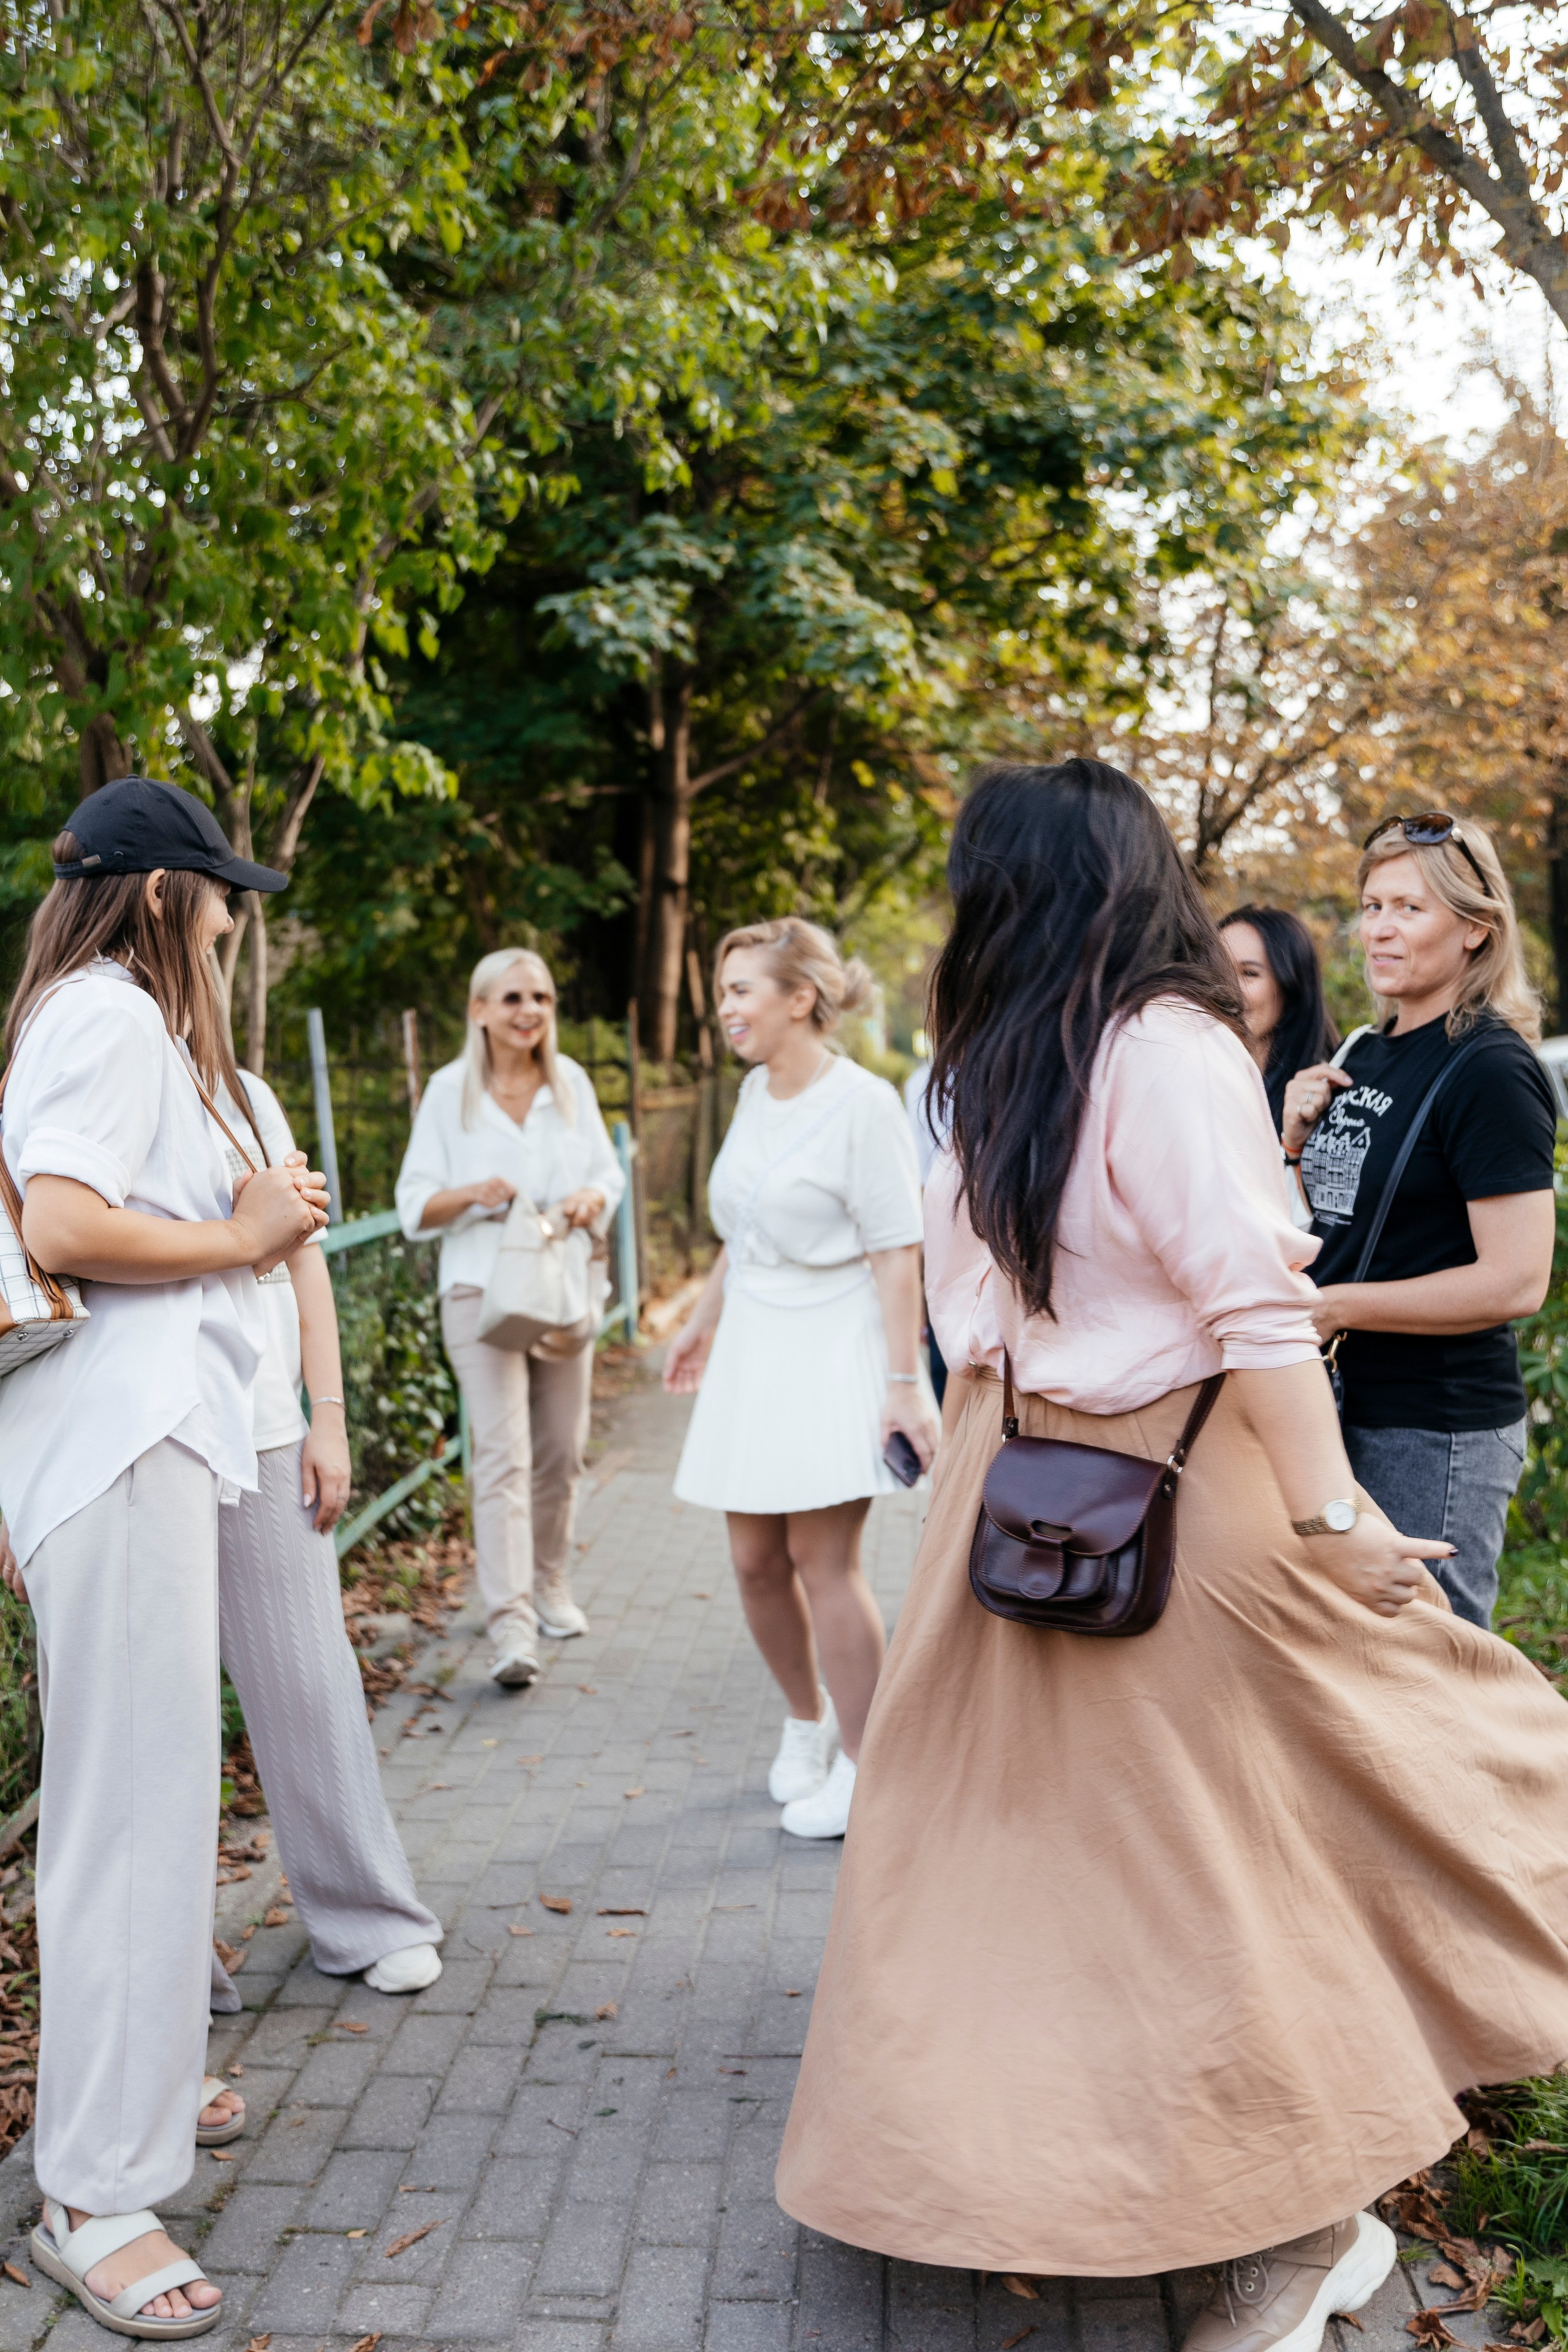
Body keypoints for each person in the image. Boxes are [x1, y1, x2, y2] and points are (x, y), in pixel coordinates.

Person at [775, 758, 1568, 2352]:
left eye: (979, 874)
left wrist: (1331, 1517)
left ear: (1041, 884)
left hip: (1160, 1485)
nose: (960, 903)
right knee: (1018, 1855)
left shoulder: (1167, 1050)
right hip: (1025, 1486)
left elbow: (1255, 1304)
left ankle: (1307, 2224)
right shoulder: (1014, 1050)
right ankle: (1051, 2164)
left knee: (1215, 1851)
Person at [0, 778, 324, 2336]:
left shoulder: (113, 1020)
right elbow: (61, 1223)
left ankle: (126, 2093)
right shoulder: (112, 1014)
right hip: (120, 1445)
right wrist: (245, 1235)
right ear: (156, 895)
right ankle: (89, 2189)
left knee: (147, 1803)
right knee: (129, 1819)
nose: (230, 917)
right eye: (219, 894)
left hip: (137, 1444)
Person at [663, 918, 937, 1842]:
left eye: (743, 989)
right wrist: (700, 1324)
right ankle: (805, 1722)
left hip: (836, 1336)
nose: (726, 1006)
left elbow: (899, 1253)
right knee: (752, 1561)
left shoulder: (863, 1104)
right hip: (755, 1340)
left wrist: (905, 1383)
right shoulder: (750, 1093)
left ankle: (871, 1765)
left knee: (825, 1562)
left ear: (800, 998)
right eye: (725, 988)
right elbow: (739, 1234)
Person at [205, 1051, 445, 2011]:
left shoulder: (243, 1094)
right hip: (134, 1439)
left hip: (263, 1427)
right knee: (152, 1715)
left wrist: (328, 1413)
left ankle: (366, 1916)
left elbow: (303, 1252)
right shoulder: (69, 1072)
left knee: (311, 1679)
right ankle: (173, 1972)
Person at [1283, 813, 1556, 1628]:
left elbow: (1515, 1280)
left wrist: (1336, 1309)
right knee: (1351, 1667)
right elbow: (1346, 1222)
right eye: (1371, 907)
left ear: (1475, 928)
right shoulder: (1369, 1047)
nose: (1380, 930)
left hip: (1434, 1428)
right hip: (1340, 1404)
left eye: (1410, 909)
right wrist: (1294, 1145)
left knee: (1431, 1672)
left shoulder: (1492, 1068)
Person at [396, 950, 623, 1690]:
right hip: (479, 1292)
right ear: (480, 1010)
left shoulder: (571, 1085)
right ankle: (510, 1622)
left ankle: (551, 1583)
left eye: (543, 998)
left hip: (557, 1286)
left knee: (561, 1449)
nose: (530, 1010)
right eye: (514, 997)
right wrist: (471, 1194)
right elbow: (414, 1204)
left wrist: (592, 1197)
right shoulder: (448, 1093)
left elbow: (607, 1172)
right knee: (501, 1454)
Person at [1218, 905, 1340, 1132]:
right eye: (1217, 969)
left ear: (1291, 987)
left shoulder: (1321, 1099)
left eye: (1249, 973)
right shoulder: (1194, 1078)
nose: (1226, 989)